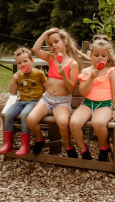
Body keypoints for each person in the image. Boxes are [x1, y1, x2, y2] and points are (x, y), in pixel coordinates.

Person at [27, 28, 87, 157]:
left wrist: (64, 75)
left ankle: (69, 147)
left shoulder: (73, 64)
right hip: (47, 99)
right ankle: (39, 139)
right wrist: (45, 33)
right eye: (50, 44)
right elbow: (35, 50)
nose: (53, 45)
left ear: (65, 41)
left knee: (63, 123)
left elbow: (71, 88)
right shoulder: (51, 58)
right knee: (31, 120)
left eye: (56, 42)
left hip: (62, 102)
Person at [70, 36, 115, 161]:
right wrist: (91, 78)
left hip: (104, 105)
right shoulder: (86, 71)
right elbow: (83, 92)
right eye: (96, 55)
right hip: (88, 103)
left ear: (108, 57)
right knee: (74, 123)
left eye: (103, 55)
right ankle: (84, 150)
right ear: (91, 55)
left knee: (98, 123)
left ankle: (103, 147)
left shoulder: (110, 72)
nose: (100, 58)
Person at [0, 47, 48, 156]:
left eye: (25, 61)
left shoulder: (39, 73)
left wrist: (42, 100)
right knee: (8, 114)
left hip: (35, 101)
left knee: (24, 114)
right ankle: (8, 144)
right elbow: (12, 92)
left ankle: (25, 146)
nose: (22, 64)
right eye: (19, 62)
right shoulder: (18, 75)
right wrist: (13, 80)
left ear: (32, 61)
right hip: (21, 101)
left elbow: (46, 88)